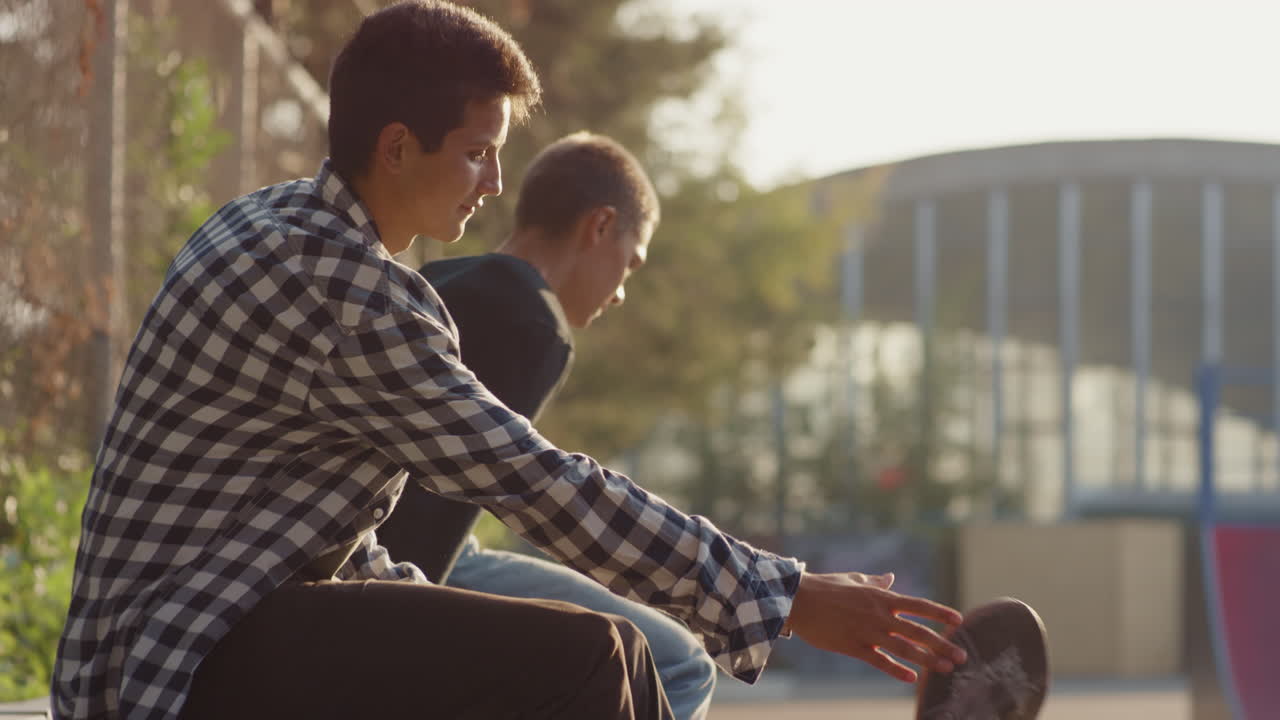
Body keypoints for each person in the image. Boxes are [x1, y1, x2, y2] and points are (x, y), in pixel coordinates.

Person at [52, 3, 966, 719]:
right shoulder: (344, 288)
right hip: (172, 667)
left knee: (588, 653)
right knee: (595, 659)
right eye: (478, 154)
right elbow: (538, 484)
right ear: (397, 146)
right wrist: (786, 595)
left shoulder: (274, 220)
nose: (495, 184)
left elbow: (314, 539)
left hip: (170, 642)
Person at [375, 131, 721, 719]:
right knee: (681, 664)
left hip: (384, 538)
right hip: (400, 567)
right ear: (600, 225)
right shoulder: (535, 321)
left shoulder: (448, 277)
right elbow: (512, 490)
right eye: (630, 263)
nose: (620, 293)